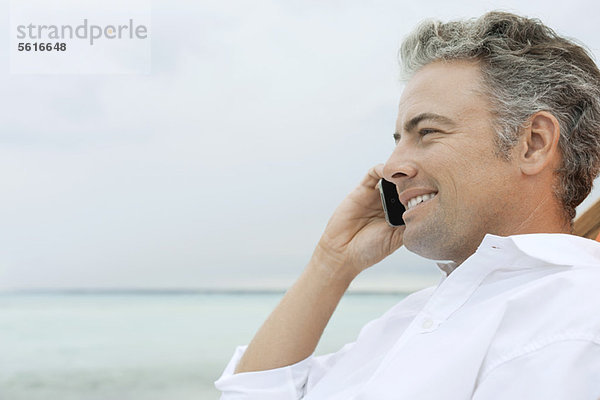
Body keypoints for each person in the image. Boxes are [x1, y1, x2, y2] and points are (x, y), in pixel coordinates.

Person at [215, 11, 600, 399]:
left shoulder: (574, 317)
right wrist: (331, 264)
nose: (391, 166)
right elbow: (254, 392)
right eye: (398, 138)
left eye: (427, 132)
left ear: (533, 143)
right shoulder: (414, 317)